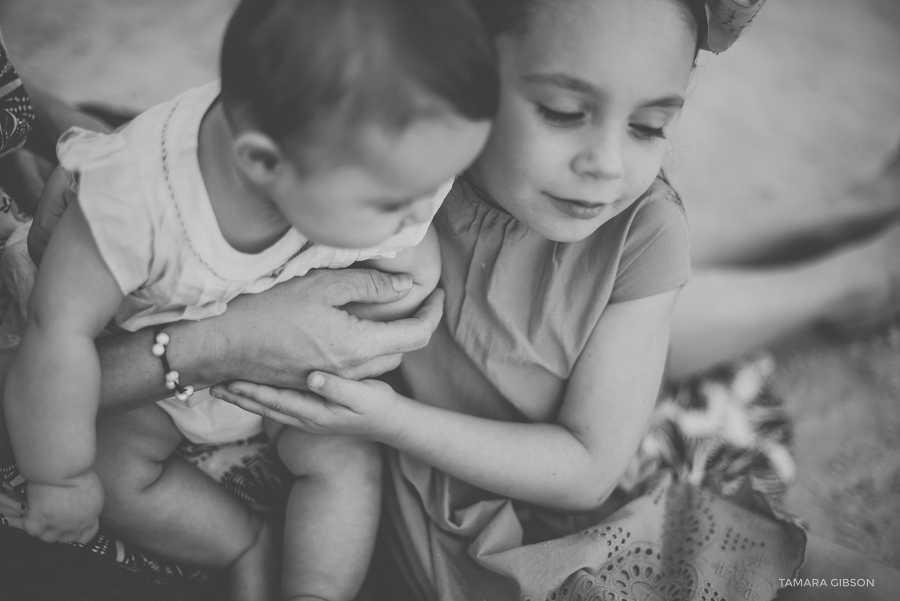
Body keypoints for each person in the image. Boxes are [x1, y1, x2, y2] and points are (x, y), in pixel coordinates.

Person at [210, 1, 900, 600]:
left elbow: (586, 470)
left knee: (825, 577)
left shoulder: (641, 223)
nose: (604, 161)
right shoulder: (405, 158)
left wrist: (393, 419)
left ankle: (859, 265)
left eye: (650, 125)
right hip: (444, 479)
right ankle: (849, 241)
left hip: (552, 490)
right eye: (564, 112)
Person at [2, 1, 496, 600]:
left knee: (347, 458)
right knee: (111, 468)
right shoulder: (133, 208)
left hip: (275, 376)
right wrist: (60, 476)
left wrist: (390, 304)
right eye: (396, 202)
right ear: (263, 161)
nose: (423, 215)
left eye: (434, 188)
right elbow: (58, 338)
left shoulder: (356, 161)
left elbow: (410, 263)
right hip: (145, 372)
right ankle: (239, 540)